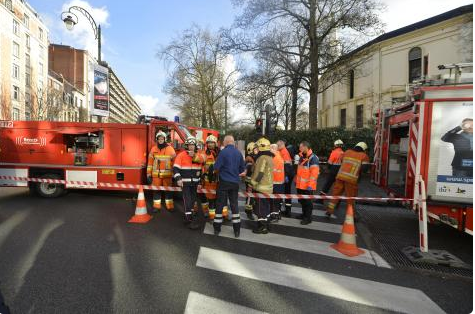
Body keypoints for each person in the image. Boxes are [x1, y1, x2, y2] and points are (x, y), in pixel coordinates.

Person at [213, 135, 246, 238]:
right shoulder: (238, 153)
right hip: (235, 183)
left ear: (226, 142)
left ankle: (217, 228)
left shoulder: (223, 152)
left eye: (223, 142)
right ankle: (237, 230)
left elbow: (216, 167)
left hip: (224, 182)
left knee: (220, 205)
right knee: (234, 205)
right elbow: (242, 169)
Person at [326, 142, 370, 218]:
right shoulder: (364, 156)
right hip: (351, 180)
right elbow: (364, 169)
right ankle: (352, 215)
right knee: (350, 198)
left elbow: (342, 160)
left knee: (335, 194)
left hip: (340, 177)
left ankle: (329, 210)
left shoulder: (347, 152)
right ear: (364, 149)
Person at [173, 137, 205, 229]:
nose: (191, 147)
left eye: (193, 145)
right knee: (187, 200)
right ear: (187, 145)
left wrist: (200, 181)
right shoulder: (181, 155)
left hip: (195, 183)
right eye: (189, 145)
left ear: (195, 146)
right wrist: (178, 178)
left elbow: (201, 168)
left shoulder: (198, 156)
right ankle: (189, 220)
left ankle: (189, 216)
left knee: (193, 200)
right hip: (185, 183)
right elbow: (175, 168)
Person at [146, 131, 176, 212]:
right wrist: (148, 174)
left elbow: (174, 163)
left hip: (167, 175)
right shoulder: (153, 149)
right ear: (157, 139)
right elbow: (150, 163)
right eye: (159, 138)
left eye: (162, 138)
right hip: (156, 175)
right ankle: (156, 207)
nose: (160, 140)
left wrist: (174, 175)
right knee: (156, 191)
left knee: (168, 191)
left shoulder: (170, 149)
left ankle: (170, 207)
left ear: (165, 139)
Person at [250, 137, 274, 234]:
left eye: (257, 147)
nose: (256, 149)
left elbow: (259, 173)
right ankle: (267, 225)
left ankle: (262, 227)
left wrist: (252, 183)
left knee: (260, 209)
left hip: (261, 188)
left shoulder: (262, 158)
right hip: (268, 188)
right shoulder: (270, 157)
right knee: (266, 208)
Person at [295, 141, 320, 225]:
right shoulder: (302, 157)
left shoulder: (313, 158)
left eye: (301, 147)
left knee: (307, 203)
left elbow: (314, 174)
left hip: (307, 186)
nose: (299, 148)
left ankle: (308, 218)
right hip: (300, 185)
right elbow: (299, 171)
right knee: (302, 201)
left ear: (306, 147)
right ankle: (304, 214)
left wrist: (310, 185)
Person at [317, 139, 344, 204]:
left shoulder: (334, 152)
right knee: (338, 187)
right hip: (340, 171)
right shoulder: (343, 153)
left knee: (327, 185)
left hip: (333, 171)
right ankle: (337, 201)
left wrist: (328, 168)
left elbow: (329, 163)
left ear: (336, 145)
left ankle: (320, 200)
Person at [199, 135, 220, 220]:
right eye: (209, 143)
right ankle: (209, 214)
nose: (210, 144)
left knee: (215, 199)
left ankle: (212, 214)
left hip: (217, 180)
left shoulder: (219, 153)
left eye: (212, 143)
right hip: (207, 180)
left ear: (215, 144)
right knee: (208, 198)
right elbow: (199, 160)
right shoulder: (204, 153)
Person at [277, 140, 294, 217]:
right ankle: (287, 210)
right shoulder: (283, 151)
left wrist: (286, 175)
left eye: (278, 146)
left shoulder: (283, 152)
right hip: (288, 174)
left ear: (281, 145)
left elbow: (287, 164)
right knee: (287, 192)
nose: (277, 147)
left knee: (286, 192)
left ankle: (287, 211)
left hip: (287, 175)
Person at [270, 144, 285, 222]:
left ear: (274, 149)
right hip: (280, 182)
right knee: (277, 200)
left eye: (270, 149)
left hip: (275, 183)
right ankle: (277, 214)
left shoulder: (275, 158)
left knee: (274, 201)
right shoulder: (279, 156)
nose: (269, 150)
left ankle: (274, 216)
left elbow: (271, 171)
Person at [244, 142, 259, 220]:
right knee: (250, 197)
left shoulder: (255, 157)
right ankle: (248, 211)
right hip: (250, 181)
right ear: (250, 150)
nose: (257, 150)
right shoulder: (249, 158)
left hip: (255, 181)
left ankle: (253, 209)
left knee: (254, 196)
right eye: (255, 149)